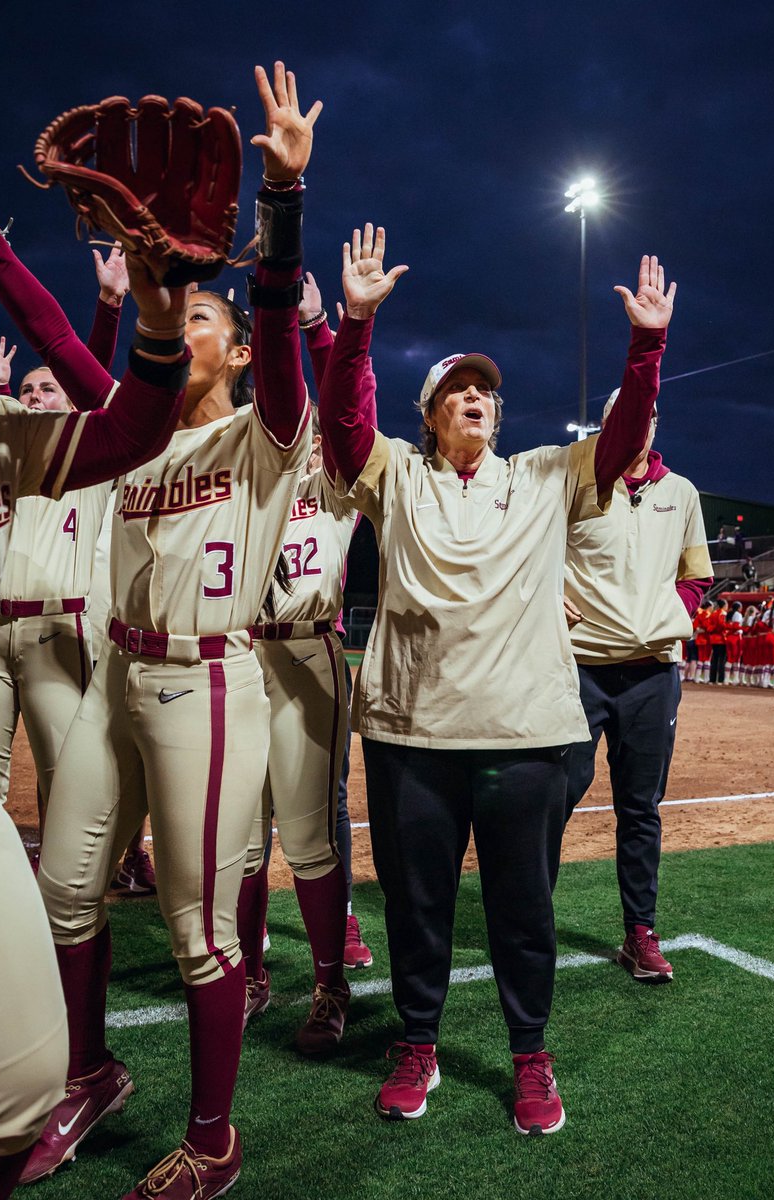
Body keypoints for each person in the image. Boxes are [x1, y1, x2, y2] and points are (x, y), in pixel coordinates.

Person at [15, 63, 319, 1199]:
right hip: (113, 678)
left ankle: (215, 1137)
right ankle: (90, 1071)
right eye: (181, 313)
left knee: (201, 935)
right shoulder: (134, 430)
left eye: (202, 315)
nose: (185, 323)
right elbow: (61, 343)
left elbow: (283, 329)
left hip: (207, 686)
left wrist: (282, 207)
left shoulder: (260, 431)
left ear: (235, 352)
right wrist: (11, 244)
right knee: (67, 890)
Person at [319, 230, 676, 1134]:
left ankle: (530, 1056)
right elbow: (345, 425)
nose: (475, 398)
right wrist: (356, 324)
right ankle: (418, 1042)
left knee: (523, 912)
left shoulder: (544, 477)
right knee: (417, 905)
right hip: (412, 737)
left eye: (485, 392)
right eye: (455, 392)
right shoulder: (396, 473)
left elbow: (626, 437)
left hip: (526, 736)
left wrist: (646, 349)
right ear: (430, 414)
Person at [0, 188, 190, 1199]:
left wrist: (144, 314)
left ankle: (84, 1060)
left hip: (62, 638)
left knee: (13, 1091)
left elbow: (124, 415)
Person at [239, 283, 379, 1048]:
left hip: (306, 648)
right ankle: (254, 969)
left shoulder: (335, 467)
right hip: (238, 650)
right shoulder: (247, 459)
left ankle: (330, 985)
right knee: (245, 837)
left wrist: (320, 324)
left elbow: (347, 406)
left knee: (310, 834)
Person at [0, 248, 126, 857]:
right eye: (28, 390)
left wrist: (109, 307)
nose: (35, 397)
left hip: (55, 633)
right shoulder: (4, 455)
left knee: (69, 778)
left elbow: (92, 384)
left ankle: (68, 900)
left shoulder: (80, 457)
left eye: (48, 388)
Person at [561, 382, 711, 983]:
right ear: (608, 425)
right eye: (627, 417)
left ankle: (639, 933)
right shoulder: (577, 484)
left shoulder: (682, 492)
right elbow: (535, 556)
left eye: (646, 415)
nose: (639, 425)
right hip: (577, 669)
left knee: (641, 809)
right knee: (553, 799)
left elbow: (696, 576)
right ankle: (527, 925)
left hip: (653, 673)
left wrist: (664, 614)